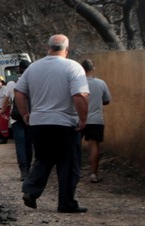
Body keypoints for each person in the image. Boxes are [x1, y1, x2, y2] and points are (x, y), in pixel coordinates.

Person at [10, 34, 89, 213]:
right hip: (64, 123)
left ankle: (31, 191)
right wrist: (83, 119)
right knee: (68, 164)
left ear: (49, 48)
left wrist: (25, 114)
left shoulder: (33, 67)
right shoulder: (73, 67)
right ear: (66, 50)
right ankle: (66, 203)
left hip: (39, 123)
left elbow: (19, 91)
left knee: (43, 159)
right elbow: (80, 96)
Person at [0, 62, 32, 176]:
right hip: (31, 117)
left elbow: (5, 101)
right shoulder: (34, 83)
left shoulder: (12, 84)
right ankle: (29, 169)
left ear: (19, 70)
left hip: (16, 118)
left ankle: (23, 171)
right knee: (28, 144)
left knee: (20, 144)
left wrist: (2, 111)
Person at [81, 58, 112, 182]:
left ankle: (74, 170)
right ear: (93, 69)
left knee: (74, 145)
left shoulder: (76, 83)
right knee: (94, 146)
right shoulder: (101, 83)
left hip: (78, 119)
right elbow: (107, 100)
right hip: (96, 119)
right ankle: (93, 174)